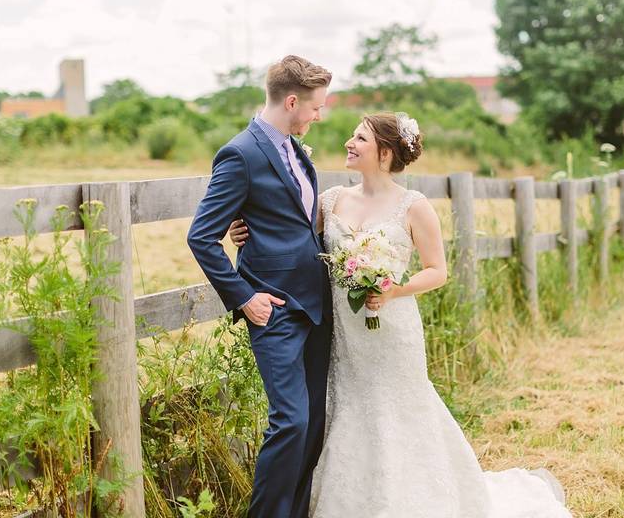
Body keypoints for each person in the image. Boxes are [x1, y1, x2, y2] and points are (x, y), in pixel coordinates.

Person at [228, 112, 572, 517]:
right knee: (350, 412)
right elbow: (289, 236)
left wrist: (394, 290)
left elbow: (437, 271)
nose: (348, 144)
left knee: (399, 412)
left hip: (392, 330)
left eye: (359, 139)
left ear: (385, 153)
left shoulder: (414, 206)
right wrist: (241, 229)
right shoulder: (332, 200)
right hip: (346, 336)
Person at [186, 54, 333, 518]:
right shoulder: (241, 154)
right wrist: (245, 297)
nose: (319, 115)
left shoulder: (294, 147)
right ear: (292, 101)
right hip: (274, 307)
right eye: (315, 107)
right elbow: (201, 236)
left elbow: (297, 222)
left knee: (312, 425)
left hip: (317, 305)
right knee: (290, 421)